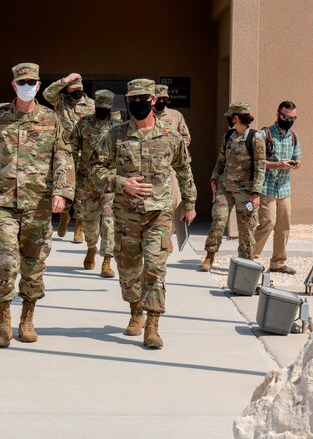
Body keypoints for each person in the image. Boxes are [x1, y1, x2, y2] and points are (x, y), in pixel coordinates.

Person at [0, 62, 75, 348]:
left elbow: (63, 158)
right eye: (22, 82)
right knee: (4, 263)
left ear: (39, 86)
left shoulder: (51, 120)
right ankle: (3, 322)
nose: (28, 86)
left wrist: (62, 192)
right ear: (14, 85)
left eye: (32, 82)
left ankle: (27, 318)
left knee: (33, 265)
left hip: (38, 204)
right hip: (2, 202)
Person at [92, 79, 196, 349]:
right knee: (127, 271)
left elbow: (184, 170)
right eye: (133, 100)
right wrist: (121, 183)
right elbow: (96, 171)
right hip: (126, 216)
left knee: (154, 269)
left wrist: (189, 204)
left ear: (153, 101)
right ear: (128, 102)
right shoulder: (115, 136)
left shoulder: (170, 135)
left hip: (158, 214)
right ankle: (135, 311)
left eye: (143, 100)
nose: (138, 105)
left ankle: (152, 323)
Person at [199, 103, 265, 272]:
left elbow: (260, 167)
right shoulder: (228, 136)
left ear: (236, 118)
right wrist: (214, 178)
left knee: (246, 227)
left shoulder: (255, 138)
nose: (229, 120)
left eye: (230, 117)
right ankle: (209, 256)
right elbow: (221, 159)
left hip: (247, 194)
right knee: (218, 221)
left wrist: (256, 194)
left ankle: (246, 263)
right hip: (224, 188)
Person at [71, 90, 119, 277]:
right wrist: (70, 173)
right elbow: (73, 148)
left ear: (111, 107)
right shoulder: (83, 124)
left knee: (108, 220)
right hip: (87, 180)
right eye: (99, 107)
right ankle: (91, 247)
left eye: (105, 108)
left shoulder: (117, 127)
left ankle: (107, 260)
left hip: (109, 181)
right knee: (89, 221)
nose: (101, 110)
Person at [44, 73, 96, 243]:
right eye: (73, 90)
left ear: (83, 89)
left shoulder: (93, 106)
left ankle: (79, 225)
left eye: (79, 90)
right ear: (68, 90)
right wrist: (65, 80)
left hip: (85, 154)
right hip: (64, 152)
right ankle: (65, 216)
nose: (77, 93)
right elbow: (47, 94)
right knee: (64, 185)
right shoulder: (62, 102)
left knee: (82, 189)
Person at [253, 101, 302, 275]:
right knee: (268, 223)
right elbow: (257, 162)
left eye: (292, 118)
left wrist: (294, 165)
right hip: (267, 188)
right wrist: (278, 165)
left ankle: (278, 262)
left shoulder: (293, 137)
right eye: (285, 117)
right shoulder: (263, 135)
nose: (288, 120)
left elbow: (299, 158)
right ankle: (250, 258)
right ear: (278, 114)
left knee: (284, 226)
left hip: (284, 189)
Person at [154, 84, 191, 252]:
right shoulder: (147, 115)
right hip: (153, 169)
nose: (161, 102)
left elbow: (186, 137)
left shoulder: (175, 116)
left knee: (174, 202)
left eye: (164, 99)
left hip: (172, 168)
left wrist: (173, 145)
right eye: (158, 99)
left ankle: (167, 237)